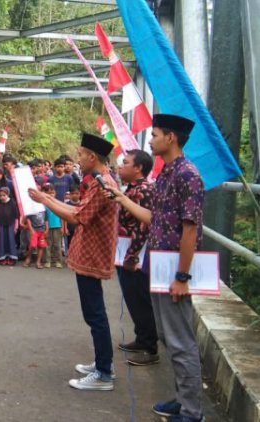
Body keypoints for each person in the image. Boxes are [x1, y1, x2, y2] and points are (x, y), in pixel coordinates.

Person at [109, 114, 205, 422]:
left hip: (175, 268)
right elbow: (155, 219)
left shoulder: (187, 174)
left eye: (154, 134)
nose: (150, 141)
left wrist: (182, 276)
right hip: (160, 264)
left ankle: (192, 413)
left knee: (181, 341)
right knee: (169, 335)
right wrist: (122, 198)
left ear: (171, 138)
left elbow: (190, 230)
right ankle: (182, 399)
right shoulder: (166, 174)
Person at [29, 133, 119, 391]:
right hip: (88, 253)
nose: (78, 159)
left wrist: (45, 200)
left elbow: (77, 216)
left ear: (92, 156)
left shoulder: (103, 184)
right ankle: (103, 363)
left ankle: (103, 373)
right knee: (94, 313)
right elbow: (76, 210)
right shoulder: (98, 181)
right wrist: (47, 199)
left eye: (80, 154)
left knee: (95, 314)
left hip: (92, 255)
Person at [115, 150, 159, 367]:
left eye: (125, 163)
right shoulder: (131, 189)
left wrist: (132, 256)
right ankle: (141, 338)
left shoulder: (145, 190)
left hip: (137, 255)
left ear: (138, 168)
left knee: (141, 300)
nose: (121, 166)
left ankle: (150, 348)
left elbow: (145, 225)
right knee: (132, 299)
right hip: (126, 252)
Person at [0, 187, 19, 266]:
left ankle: (11, 258)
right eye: (0, 195)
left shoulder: (12, 203)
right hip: (1, 226)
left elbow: (16, 217)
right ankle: (2, 258)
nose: (2, 197)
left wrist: (16, 227)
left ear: (7, 194)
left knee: (10, 241)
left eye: (4, 195)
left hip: (10, 225)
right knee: (2, 241)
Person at [42, 183, 63, 269]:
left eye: (52, 192)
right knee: (48, 244)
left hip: (57, 226)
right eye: (49, 193)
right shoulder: (44, 204)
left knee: (57, 244)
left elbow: (62, 216)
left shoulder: (58, 203)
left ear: (55, 193)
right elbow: (44, 218)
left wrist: (63, 227)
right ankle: (48, 261)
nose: (51, 194)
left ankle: (58, 261)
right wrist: (45, 228)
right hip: (47, 227)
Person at [62, 183, 81, 254]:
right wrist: (65, 228)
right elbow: (64, 217)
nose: (75, 195)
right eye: (73, 193)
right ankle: (69, 257)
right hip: (69, 228)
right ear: (69, 194)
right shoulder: (67, 204)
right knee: (69, 243)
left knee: (78, 244)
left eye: (77, 193)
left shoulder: (82, 204)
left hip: (79, 229)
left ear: (80, 194)